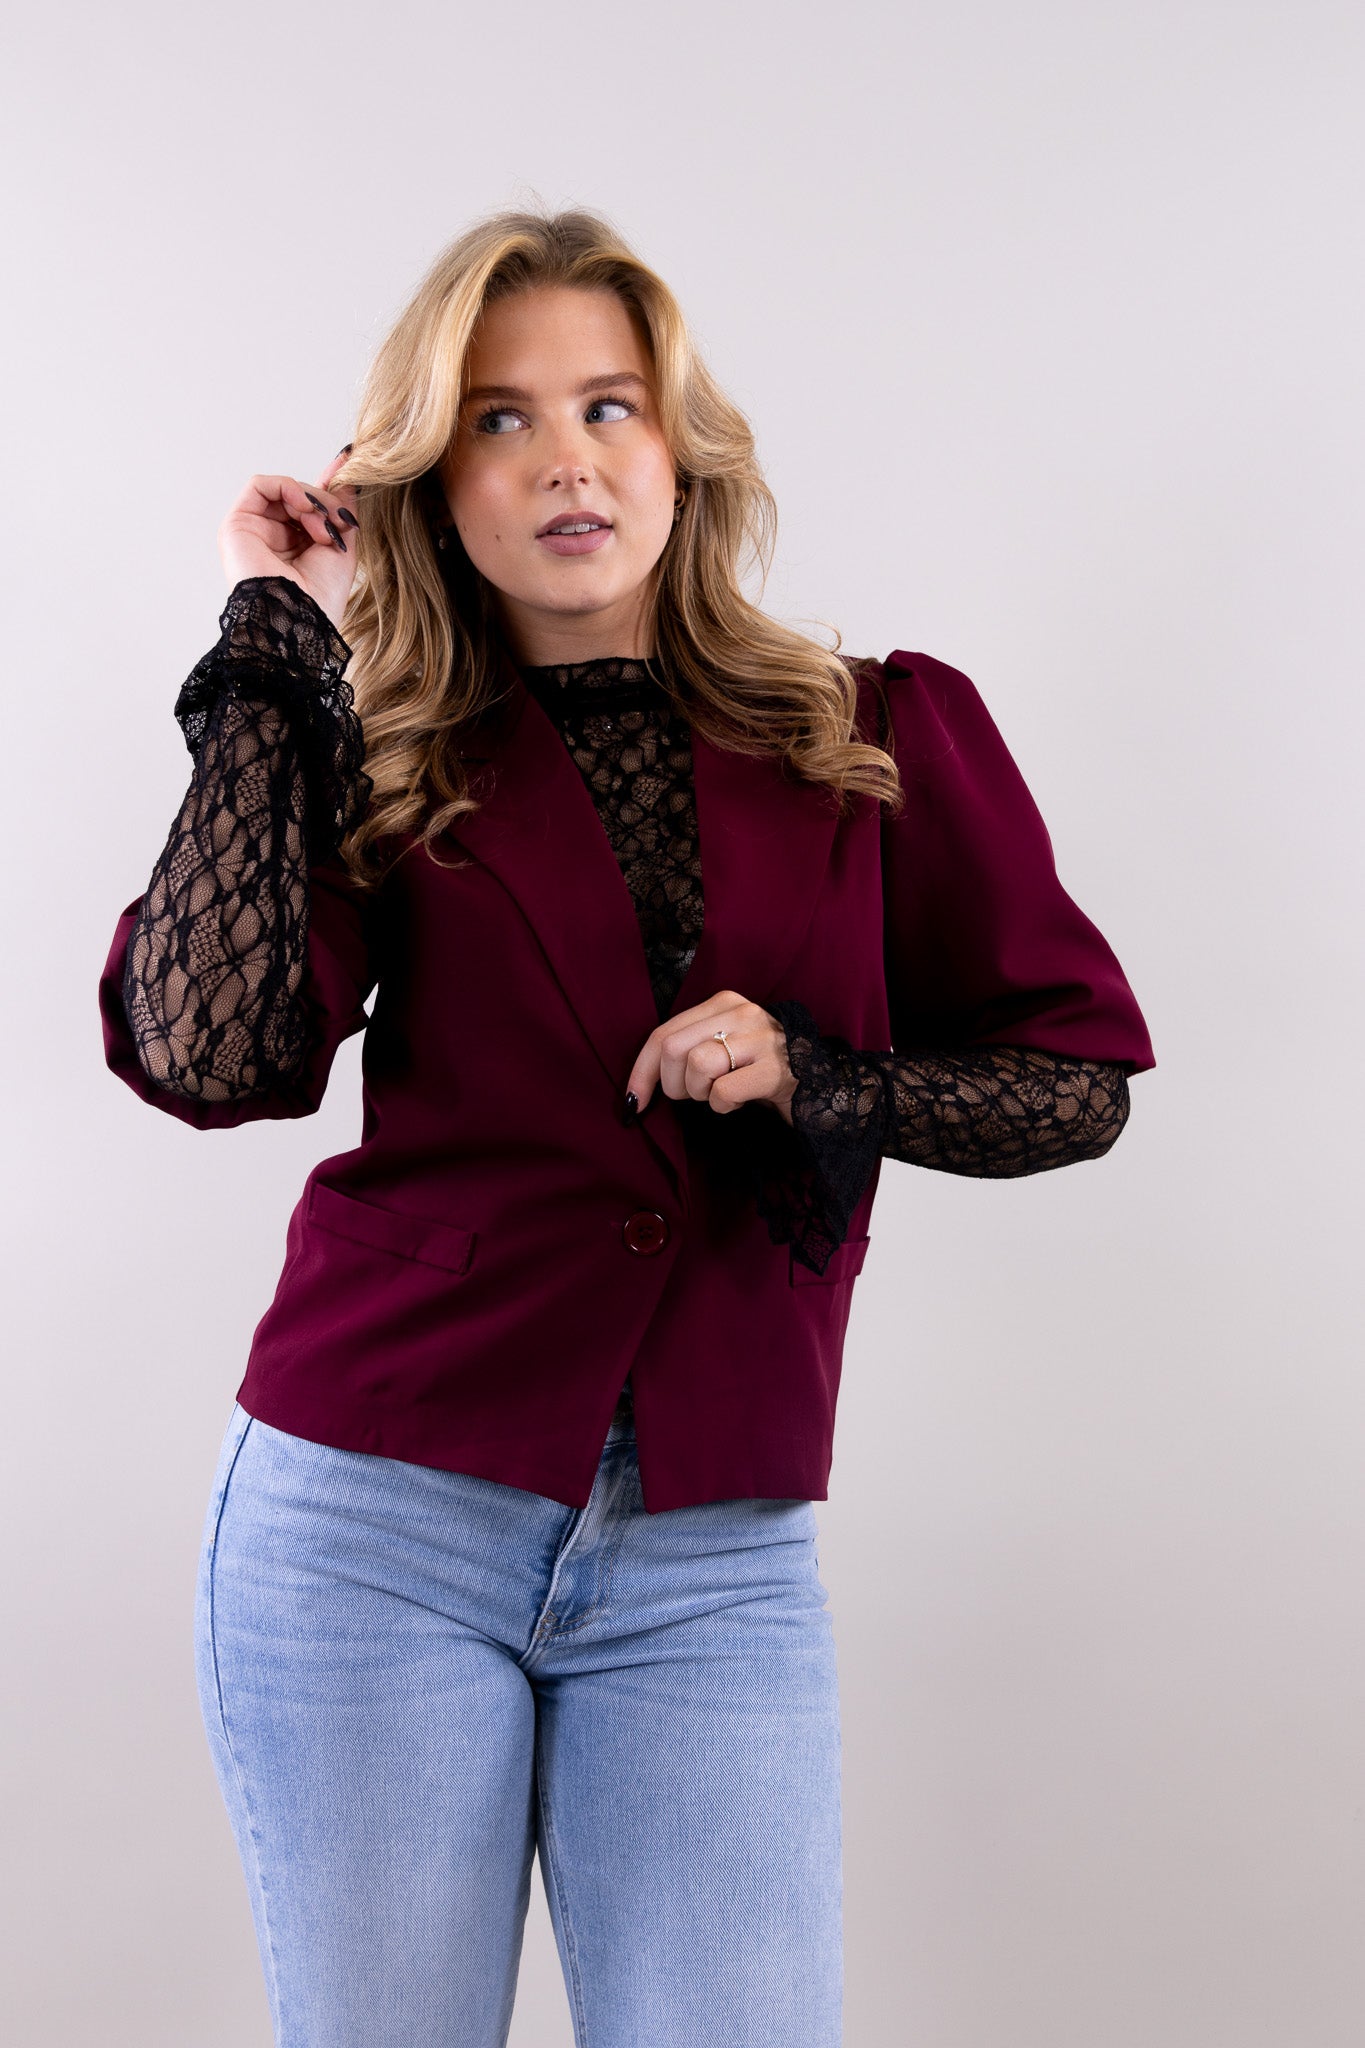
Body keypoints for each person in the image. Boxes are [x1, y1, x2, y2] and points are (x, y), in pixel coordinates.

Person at [98, 207, 1156, 2048]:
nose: (566, 460)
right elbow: (206, 1048)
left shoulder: (872, 731)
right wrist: (278, 633)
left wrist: (817, 1072)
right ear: (432, 483)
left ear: (682, 447)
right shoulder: (379, 751)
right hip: (371, 1521)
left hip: (710, 1553)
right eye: (498, 421)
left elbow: (1075, 1076)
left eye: (609, 405)